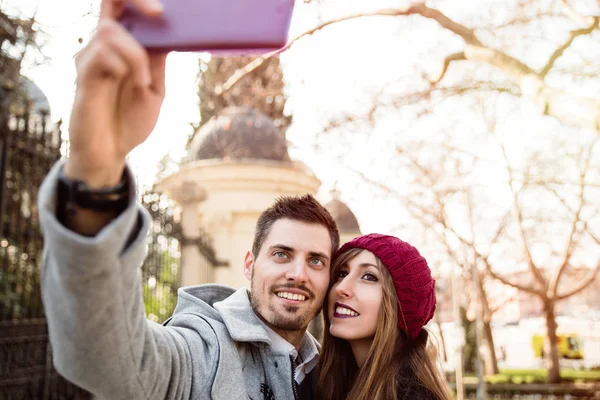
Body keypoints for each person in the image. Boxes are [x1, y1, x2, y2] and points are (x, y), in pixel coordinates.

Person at [37, 0, 340, 399]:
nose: (298, 273)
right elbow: (109, 361)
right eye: (281, 253)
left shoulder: (334, 375)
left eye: (315, 260)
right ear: (249, 265)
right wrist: (95, 172)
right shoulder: (202, 352)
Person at [318, 234, 451, 400]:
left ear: (399, 306)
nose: (341, 287)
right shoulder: (331, 384)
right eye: (342, 273)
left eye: (368, 277)